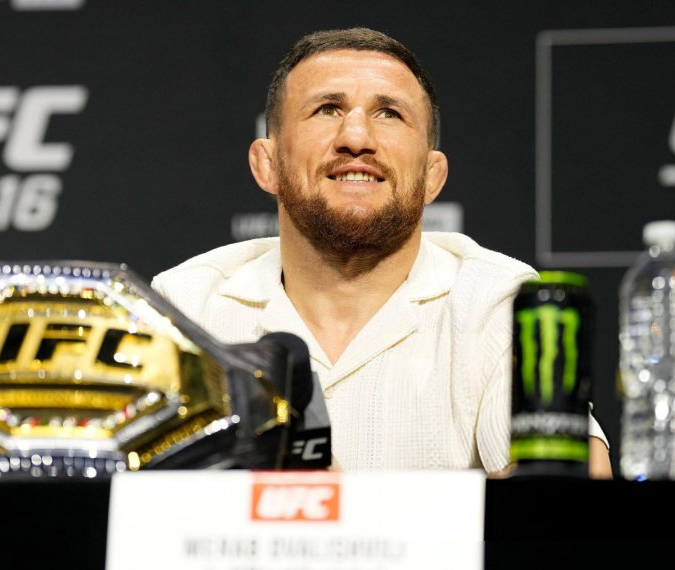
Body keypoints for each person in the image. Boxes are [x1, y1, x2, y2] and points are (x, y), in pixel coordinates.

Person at [152, 27, 613, 478]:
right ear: (267, 164)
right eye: (327, 109)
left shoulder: (497, 303)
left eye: (389, 113)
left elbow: (574, 484)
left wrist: (344, 509)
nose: (356, 137)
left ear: (432, 176)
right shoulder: (186, 309)